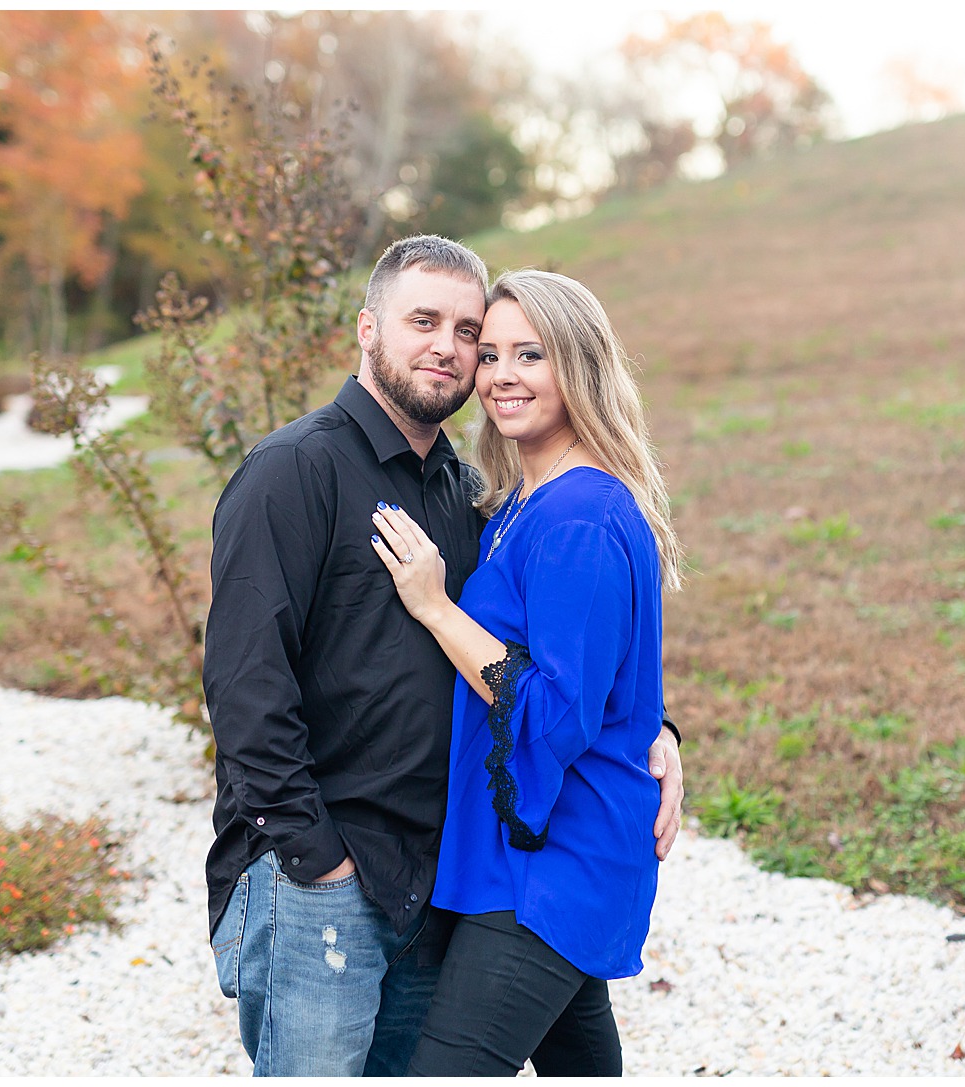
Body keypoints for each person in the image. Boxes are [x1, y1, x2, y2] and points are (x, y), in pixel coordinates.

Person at [202, 237, 684, 1077]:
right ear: (367, 329)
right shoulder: (294, 472)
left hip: (439, 877)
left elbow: (563, 656)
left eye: (472, 332)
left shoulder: (470, 494)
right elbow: (245, 687)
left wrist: (653, 728)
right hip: (330, 872)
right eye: (426, 322)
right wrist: (317, 858)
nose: (457, 352)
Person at [366, 268, 682, 1076]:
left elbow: (558, 712)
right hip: (522, 850)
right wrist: (659, 730)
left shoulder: (579, 514)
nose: (502, 374)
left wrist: (438, 608)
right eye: (491, 352)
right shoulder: (517, 503)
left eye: (531, 354)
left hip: (556, 860)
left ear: (577, 367)